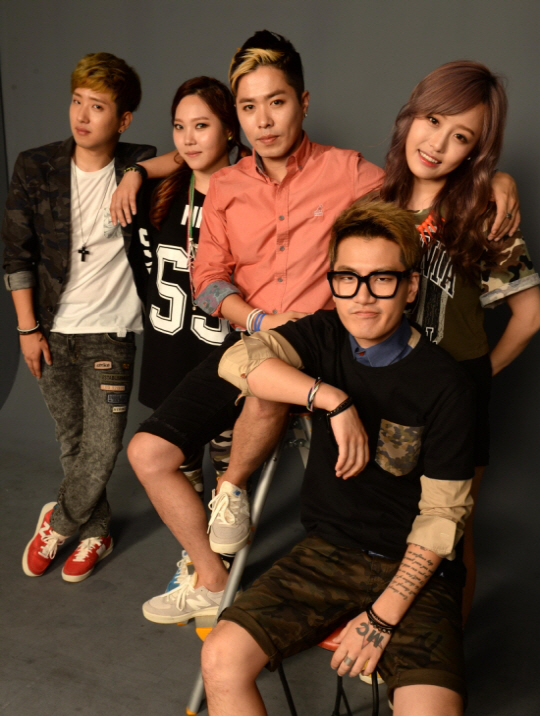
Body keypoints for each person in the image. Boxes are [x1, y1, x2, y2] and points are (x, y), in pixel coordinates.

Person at [119, 31, 517, 624]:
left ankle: (235, 490)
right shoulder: (225, 185)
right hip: (252, 341)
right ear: (237, 117)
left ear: (303, 102)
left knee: (309, 432)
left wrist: (496, 180)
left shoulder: (351, 173)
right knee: (149, 451)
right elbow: (206, 279)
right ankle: (210, 574)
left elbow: (424, 189)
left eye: (276, 102)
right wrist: (257, 316)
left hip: (328, 352)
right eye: (248, 107)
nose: (263, 121)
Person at [202, 197, 476, 716]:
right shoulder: (323, 335)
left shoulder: (445, 382)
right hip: (328, 552)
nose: (362, 296)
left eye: (382, 279)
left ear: (410, 286)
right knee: (220, 659)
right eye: (347, 278)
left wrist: (383, 615)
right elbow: (239, 360)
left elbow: (442, 519)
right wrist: (331, 398)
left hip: (417, 570)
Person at [379, 60, 540, 617]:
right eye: (433, 120)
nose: (437, 144)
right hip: (386, 390)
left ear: (476, 151)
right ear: (411, 115)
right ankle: (383, 626)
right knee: (389, 519)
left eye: (461, 136)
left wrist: (477, 375)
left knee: (450, 534)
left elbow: (530, 315)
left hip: (454, 399)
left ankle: (449, 645)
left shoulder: (483, 212)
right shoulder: (375, 203)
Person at [2, 53, 156, 582]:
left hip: (110, 332)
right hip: (50, 329)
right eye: (76, 101)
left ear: (124, 119)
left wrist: (135, 174)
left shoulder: (140, 160)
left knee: (104, 445)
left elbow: (187, 156)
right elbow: (16, 254)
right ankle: (97, 530)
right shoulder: (36, 165)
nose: (82, 115)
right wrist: (27, 329)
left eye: (98, 106)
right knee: (72, 442)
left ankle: (59, 523)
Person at [128, 78, 248, 570]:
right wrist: (135, 171)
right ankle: (199, 562)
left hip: (222, 356)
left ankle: (223, 568)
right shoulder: (160, 192)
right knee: (179, 466)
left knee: (228, 474)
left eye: (202, 125)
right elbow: (145, 274)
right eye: (180, 127)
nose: (189, 139)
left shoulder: (250, 194)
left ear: (229, 130)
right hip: (170, 350)